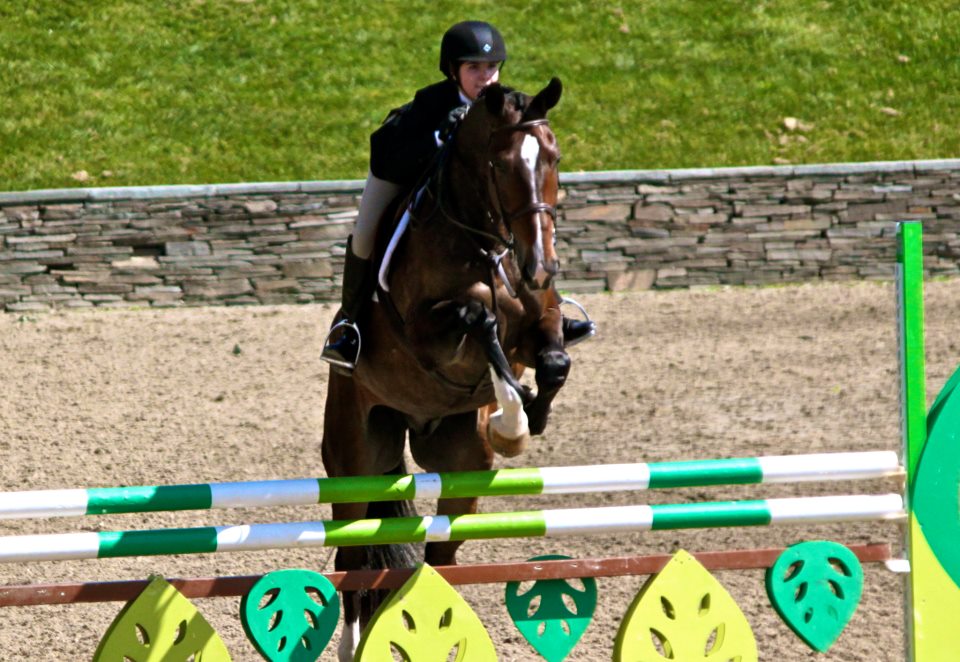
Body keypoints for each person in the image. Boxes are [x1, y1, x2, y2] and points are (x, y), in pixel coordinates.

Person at [321, 20, 595, 373]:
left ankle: (550, 312)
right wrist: (440, 138)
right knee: (363, 237)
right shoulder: (428, 105)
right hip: (401, 178)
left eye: (491, 67)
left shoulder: (506, 105)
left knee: (532, 229)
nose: (485, 77)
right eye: (474, 68)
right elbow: (389, 153)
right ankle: (350, 326)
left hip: (471, 207)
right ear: (453, 71)